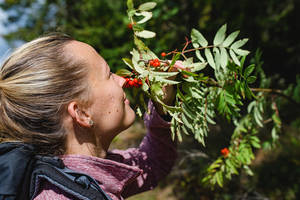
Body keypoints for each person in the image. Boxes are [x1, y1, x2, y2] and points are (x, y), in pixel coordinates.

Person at [0, 33, 178, 200]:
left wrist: (162, 106)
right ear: (82, 114)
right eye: (109, 74)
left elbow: (153, 163)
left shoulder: (87, 173)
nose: (122, 80)